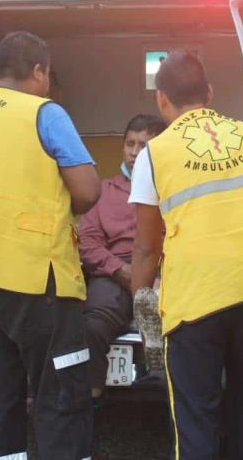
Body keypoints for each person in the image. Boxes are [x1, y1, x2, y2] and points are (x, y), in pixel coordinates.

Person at [128, 50, 243, 459]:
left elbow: (147, 246)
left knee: (196, 418)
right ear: (209, 92)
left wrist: (142, 305)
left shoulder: (154, 154)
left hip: (198, 298)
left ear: (161, 99)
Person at [0, 31, 100, 460]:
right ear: (39, 71)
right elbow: (86, 191)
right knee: (60, 397)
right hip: (36, 276)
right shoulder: (44, 113)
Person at [78, 114, 166, 399]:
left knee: (184, 327)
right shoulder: (103, 190)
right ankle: (90, 401)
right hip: (113, 274)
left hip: (162, 273)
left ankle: (169, 393)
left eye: (143, 145)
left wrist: (154, 273)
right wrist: (119, 270)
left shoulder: (172, 189)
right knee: (90, 326)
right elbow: (88, 242)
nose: (134, 152)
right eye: (130, 144)